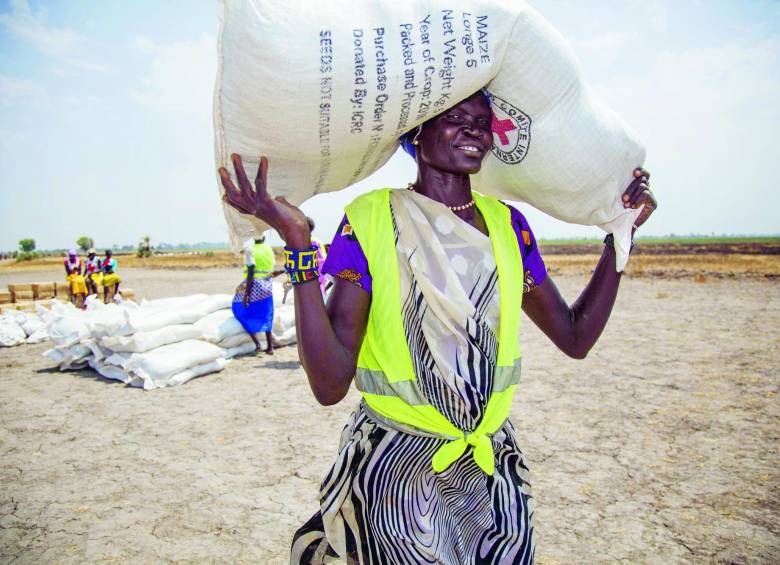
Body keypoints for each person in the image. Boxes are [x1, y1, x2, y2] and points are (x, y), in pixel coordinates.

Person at [219, 90, 656, 564]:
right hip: (399, 479)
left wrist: (620, 238)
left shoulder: (511, 228)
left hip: (491, 476)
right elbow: (328, 384)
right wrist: (298, 244)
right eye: (454, 118)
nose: (473, 129)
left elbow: (575, 337)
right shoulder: (370, 221)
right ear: (415, 133)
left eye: (481, 121)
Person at [232, 235, 283, 354]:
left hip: (254, 286)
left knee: (238, 308)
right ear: (264, 238)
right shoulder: (269, 249)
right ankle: (270, 347)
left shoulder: (250, 250)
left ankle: (257, 344)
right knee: (267, 313)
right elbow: (271, 269)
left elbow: (250, 272)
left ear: (253, 239)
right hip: (267, 285)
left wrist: (246, 294)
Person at [306, 216, 329, 295]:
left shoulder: (312, 241)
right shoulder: (314, 239)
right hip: (318, 279)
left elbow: (321, 261)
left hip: (317, 280)